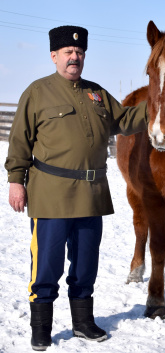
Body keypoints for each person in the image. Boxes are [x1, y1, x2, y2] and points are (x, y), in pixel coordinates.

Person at [5, 25, 148, 351]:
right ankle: (41, 328)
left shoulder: (96, 93)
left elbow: (125, 120)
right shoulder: (38, 92)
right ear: (54, 56)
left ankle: (83, 322)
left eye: (79, 52)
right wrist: (16, 181)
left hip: (91, 193)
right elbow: (19, 141)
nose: (75, 57)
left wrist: (159, 101)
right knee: (47, 265)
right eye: (68, 53)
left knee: (86, 265)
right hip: (51, 194)